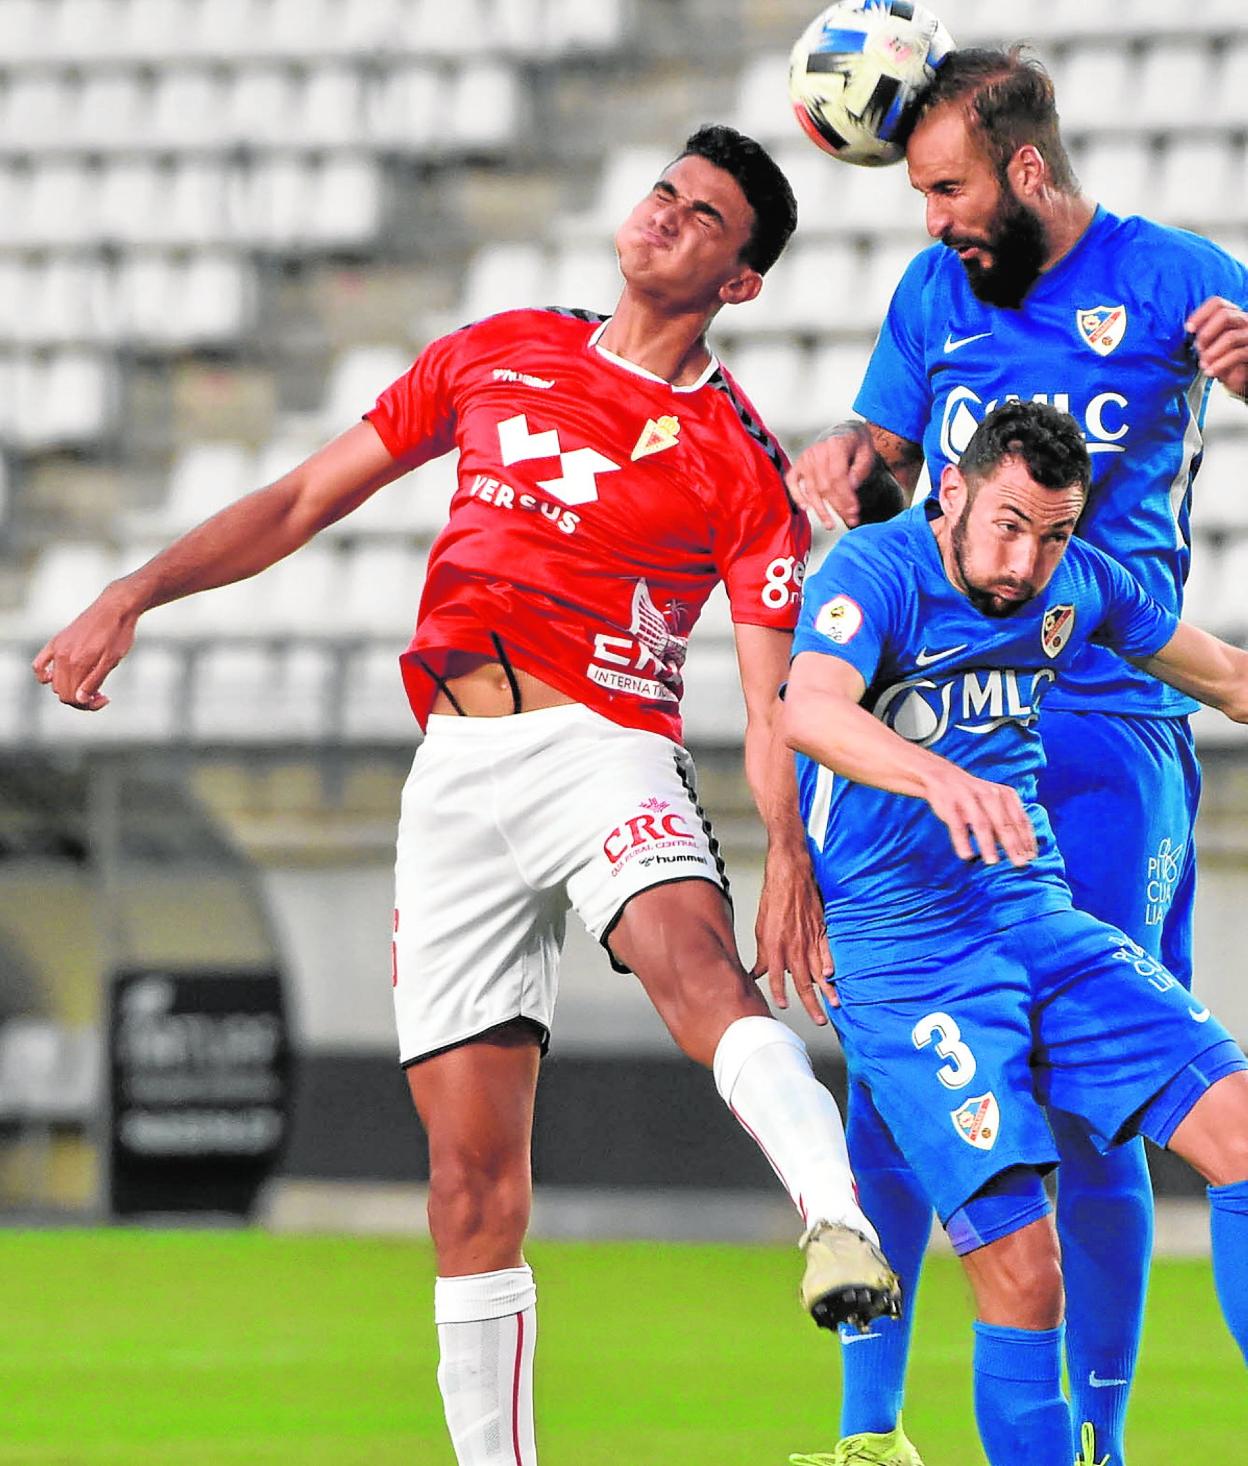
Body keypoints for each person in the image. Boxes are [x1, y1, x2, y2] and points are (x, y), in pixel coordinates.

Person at [32, 126, 901, 1465]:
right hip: (450, 774)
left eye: (706, 217)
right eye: (665, 190)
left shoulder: (736, 459)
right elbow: (303, 496)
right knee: (467, 1184)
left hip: (601, 740)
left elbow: (774, 689)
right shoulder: (499, 347)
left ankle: (834, 1212)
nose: (666, 215)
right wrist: (132, 591)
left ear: (742, 282)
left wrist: (788, 843)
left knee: (690, 964)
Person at [786, 47, 1248, 1466]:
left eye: (946, 188)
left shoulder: (1173, 275)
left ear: (1028, 170)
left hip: (1106, 722)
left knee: (1099, 1109)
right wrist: (839, 455)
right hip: (932, 727)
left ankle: (1095, 1436)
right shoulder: (933, 296)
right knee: (896, 1080)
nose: (929, 217)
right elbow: (879, 473)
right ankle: (874, 1433)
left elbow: (1214, 665)